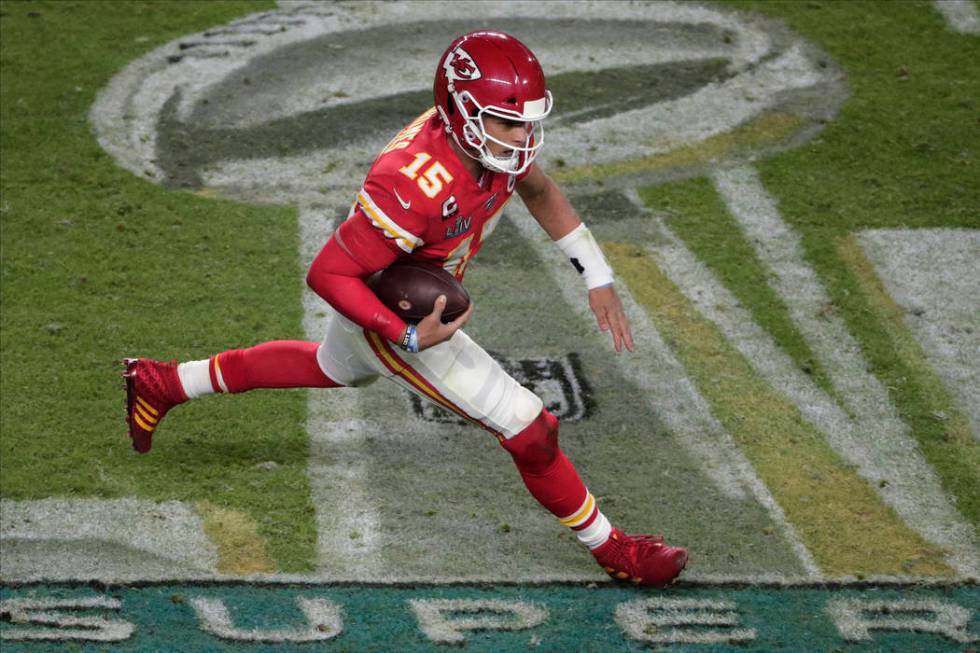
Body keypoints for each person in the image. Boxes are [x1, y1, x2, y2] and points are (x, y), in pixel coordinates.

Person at [124, 30, 688, 586]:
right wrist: (406, 333)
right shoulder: (415, 181)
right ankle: (615, 550)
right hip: (385, 307)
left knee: (330, 367)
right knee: (528, 426)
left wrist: (597, 274)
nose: (523, 138)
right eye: (509, 122)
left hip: (400, 289)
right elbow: (328, 272)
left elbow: (537, 190)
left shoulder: (484, 140)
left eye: (528, 122)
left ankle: (168, 381)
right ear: (462, 111)